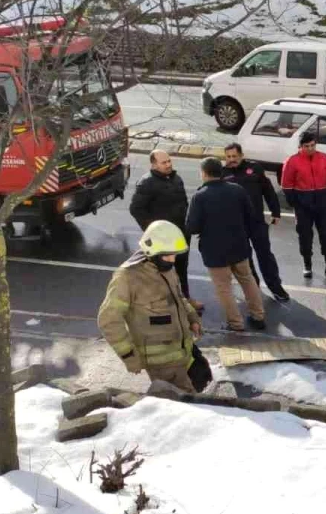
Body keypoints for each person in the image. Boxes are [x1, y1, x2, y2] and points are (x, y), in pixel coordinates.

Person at [98, 220, 203, 393]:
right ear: (151, 251)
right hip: (161, 363)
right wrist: (129, 356)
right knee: (185, 404)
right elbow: (108, 320)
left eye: (174, 255)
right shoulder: (127, 278)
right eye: (167, 256)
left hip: (183, 352)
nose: (172, 260)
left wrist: (192, 318)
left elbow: (179, 298)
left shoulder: (167, 269)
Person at [185, 157, 267, 332]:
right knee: (248, 280)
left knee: (224, 289)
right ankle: (258, 317)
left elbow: (192, 227)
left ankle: (235, 323)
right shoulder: (237, 190)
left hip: (215, 252)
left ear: (204, 173)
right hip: (239, 246)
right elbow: (250, 216)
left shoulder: (200, 196)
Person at [129, 150, 203, 315]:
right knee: (162, 272)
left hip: (181, 234)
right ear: (154, 164)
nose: (168, 164)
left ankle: (185, 299)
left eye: (169, 161)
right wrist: (153, 231)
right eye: (164, 162)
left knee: (181, 268)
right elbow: (136, 209)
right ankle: (163, 306)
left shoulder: (176, 179)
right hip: (162, 239)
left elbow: (184, 204)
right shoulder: (146, 183)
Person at [222, 142, 290, 303]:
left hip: (257, 222)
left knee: (265, 255)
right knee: (246, 259)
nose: (232, 160)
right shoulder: (222, 173)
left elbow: (268, 190)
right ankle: (254, 288)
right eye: (228, 157)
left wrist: (276, 212)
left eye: (235, 156)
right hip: (236, 225)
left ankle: (276, 288)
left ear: (241, 155)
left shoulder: (255, 169)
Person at [281, 130, 326, 280]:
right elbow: (287, 185)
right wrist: (297, 204)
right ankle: (307, 265)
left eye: (313, 145)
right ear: (300, 146)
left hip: (322, 205)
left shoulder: (324, 158)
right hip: (303, 206)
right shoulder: (292, 161)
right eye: (306, 146)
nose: (310, 149)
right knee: (305, 236)